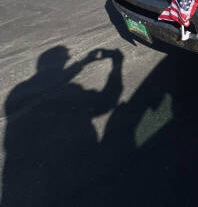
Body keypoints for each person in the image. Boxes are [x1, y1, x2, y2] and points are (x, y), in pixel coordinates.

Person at [1, 45, 123, 207]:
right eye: (65, 58)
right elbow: (107, 102)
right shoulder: (70, 93)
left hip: (25, 178)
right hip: (70, 169)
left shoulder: (21, 90)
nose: (66, 61)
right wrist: (117, 64)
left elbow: (59, 79)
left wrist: (85, 61)